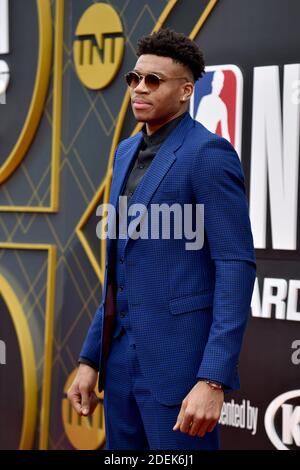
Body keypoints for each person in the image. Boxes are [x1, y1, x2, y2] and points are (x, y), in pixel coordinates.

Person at [67, 28, 256, 450]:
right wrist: (89, 359)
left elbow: (236, 265)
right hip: (118, 369)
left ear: (186, 90)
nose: (139, 88)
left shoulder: (208, 155)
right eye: (135, 78)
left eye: (154, 80)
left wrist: (213, 378)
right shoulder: (124, 152)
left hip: (179, 373)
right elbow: (120, 271)